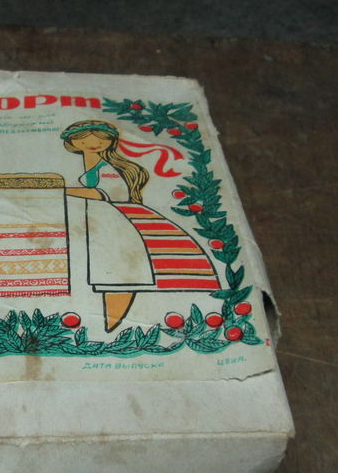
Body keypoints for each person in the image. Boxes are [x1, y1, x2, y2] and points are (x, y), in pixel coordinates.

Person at [61, 120, 220, 332]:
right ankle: (111, 326)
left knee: (119, 272)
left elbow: (109, 193)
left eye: (100, 139)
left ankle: (113, 327)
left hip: (119, 220)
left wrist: (62, 190)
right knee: (111, 272)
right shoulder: (94, 165)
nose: (93, 144)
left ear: (110, 142)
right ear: (73, 144)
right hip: (106, 218)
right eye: (84, 140)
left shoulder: (106, 168)